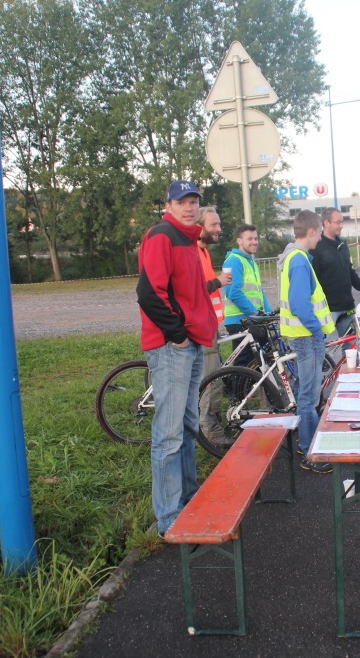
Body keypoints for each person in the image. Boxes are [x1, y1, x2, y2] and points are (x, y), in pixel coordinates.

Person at [136, 180, 217, 535]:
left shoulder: (188, 239)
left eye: (193, 201)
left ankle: (187, 499)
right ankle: (168, 518)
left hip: (191, 342)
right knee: (168, 435)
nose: (189, 207)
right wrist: (178, 335)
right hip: (172, 346)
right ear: (168, 205)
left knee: (186, 427)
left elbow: (190, 291)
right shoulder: (162, 236)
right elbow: (148, 293)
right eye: (181, 201)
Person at [278, 210, 335, 473]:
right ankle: (310, 451)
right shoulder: (299, 260)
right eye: (319, 233)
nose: (320, 238)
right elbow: (300, 304)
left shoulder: (293, 257)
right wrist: (316, 330)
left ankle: (306, 443)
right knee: (309, 395)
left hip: (302, 336)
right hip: (307, 337)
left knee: (306, 391)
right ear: (311, 231)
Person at [196, 206, 232, 440]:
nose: (219, 228)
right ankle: (210, 430)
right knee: (212, 380)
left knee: (211, 377)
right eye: (213, 224)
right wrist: (218, 282)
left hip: (209, 323)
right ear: (199, 227)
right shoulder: (193, 252)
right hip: (201, 325)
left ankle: (209, 422)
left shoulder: (203, 251)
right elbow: (194, 290)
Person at [311, 207, 360, 338]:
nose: (341, 225)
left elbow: (350, 272)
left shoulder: (342, 245)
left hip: (347, 307)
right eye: (338, 222)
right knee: (328, 347)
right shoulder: (317, 247)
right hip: (328, 310)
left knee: (351, 347)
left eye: (342, 222)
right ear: (326, 223)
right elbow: (313, 280)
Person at [222, 224, 271, 368]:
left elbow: (259, 292)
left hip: (252, 319)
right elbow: (233, 292)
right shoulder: (235, 260)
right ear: (239, 241)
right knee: (244, 364)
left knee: (260, 361)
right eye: (250, 239)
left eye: (256, 238)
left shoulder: (251, 262)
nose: (254, 242)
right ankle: (237, 383)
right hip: (240, 319)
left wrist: (268, 314)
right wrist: (255, 313)